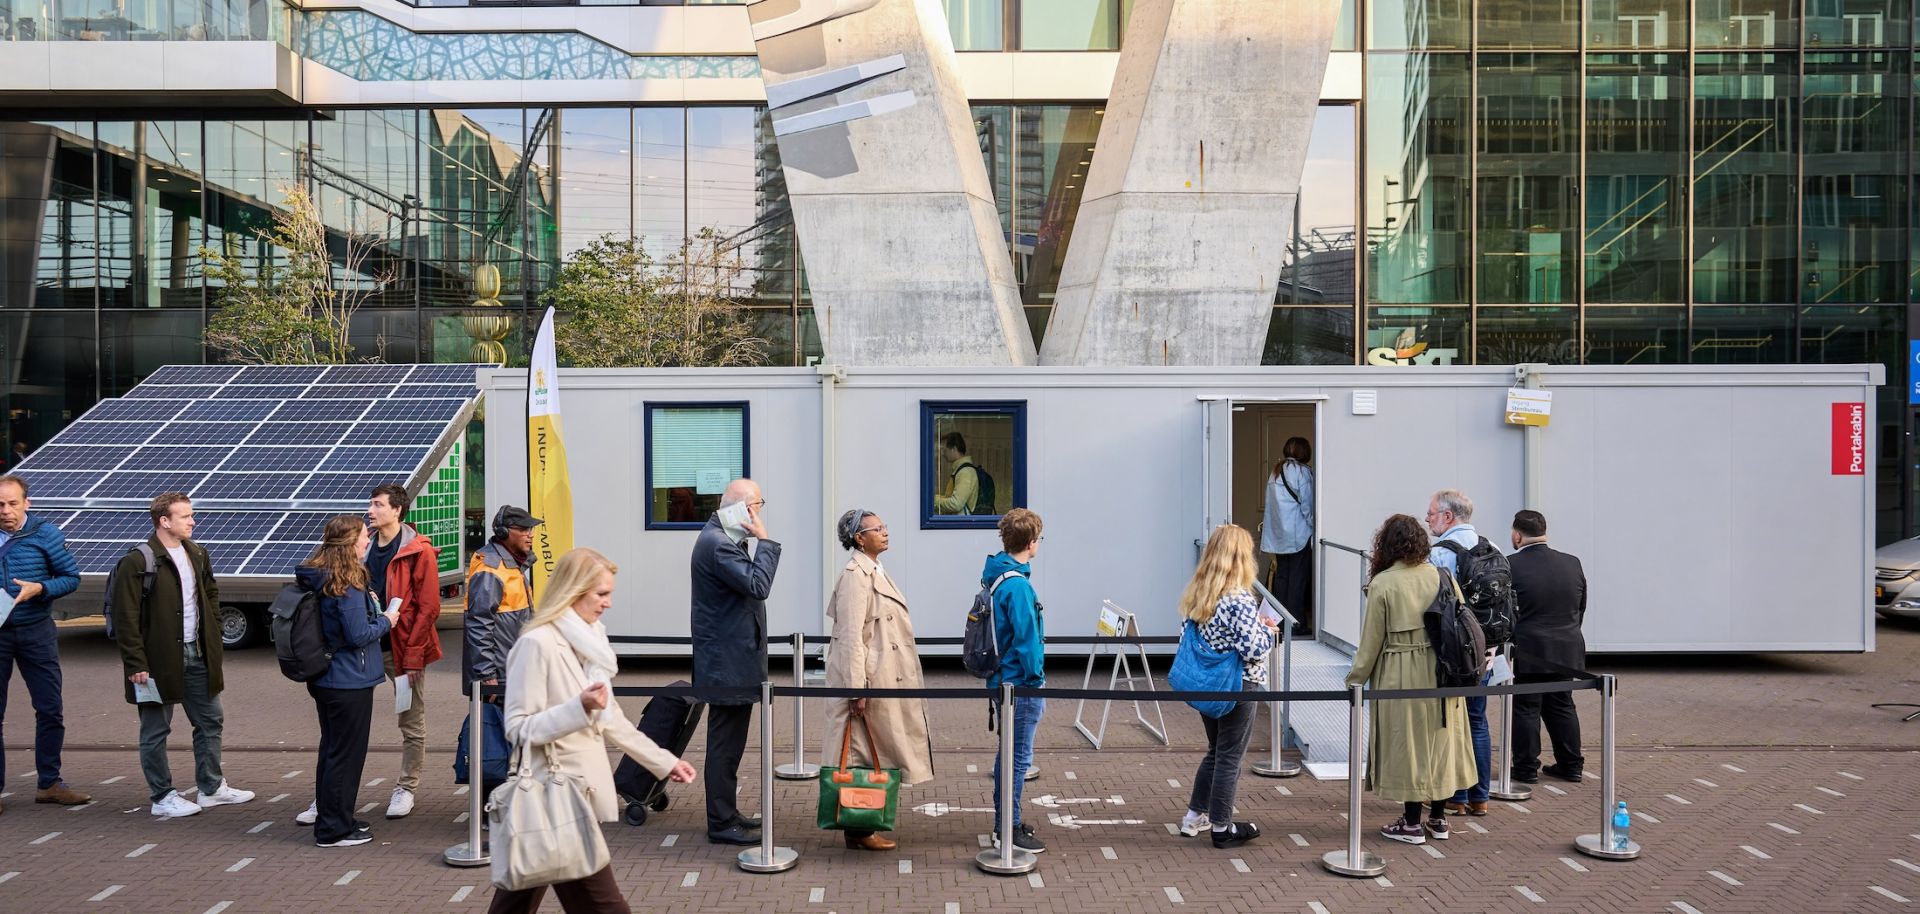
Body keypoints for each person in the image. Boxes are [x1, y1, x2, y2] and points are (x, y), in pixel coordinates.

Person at [488, 548, 696, 914]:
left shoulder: (591, 643)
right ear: (573, 590)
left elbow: (612, 719)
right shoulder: (537, 644)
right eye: (601, 594)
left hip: (568, 797)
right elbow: (518, 728)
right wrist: (577, 708)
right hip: (554, 798)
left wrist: (664, 762)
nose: (608, 604)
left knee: (518, 903)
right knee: (606, 907)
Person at [111, 492, 253, 818]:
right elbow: (125, 618)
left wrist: (215, 634)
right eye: (185, 516)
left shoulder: (197, 553)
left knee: (210, 721)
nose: (193, 521)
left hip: (199, 654)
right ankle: (162, 796)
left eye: (191, 515)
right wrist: (136, 663)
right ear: (164, 521)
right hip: (156, 661)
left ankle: (211, 788)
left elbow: (211, 595)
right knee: (155, 730)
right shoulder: (138, 561)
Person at [1345, 513, 1476, 845]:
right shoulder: (1441, 575)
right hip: (1443, 669)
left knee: (1409, 744)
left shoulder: (1384, 583)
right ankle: (1439, 819)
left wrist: (1355, 680)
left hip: (1401, 671)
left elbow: (1371, 642)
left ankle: (1411, 823)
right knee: (1441, 741)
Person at [821, 509, 934, 852]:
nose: (885, 532)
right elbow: (852, 637)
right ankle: (858, 828)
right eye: (877, 529)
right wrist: (857, 688)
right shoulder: (856, 575)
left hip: (882, 675)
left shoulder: (872, 568)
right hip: (870, 678)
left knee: (875, 753)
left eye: (885, 526)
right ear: (859, 538)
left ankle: (864, 825)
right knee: (862, 755)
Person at [295, 515, 400, 848]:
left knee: (332, 751)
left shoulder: (320, 576)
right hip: (348, 680)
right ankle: (333, 829)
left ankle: (336, 817)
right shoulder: (347, 584)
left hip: (326, 677)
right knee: (346, 756)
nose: (368, 541)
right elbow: (358, 635)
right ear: (349, 545)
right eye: (363, 538)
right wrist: (387, 620)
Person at [690, 478, 780, 846]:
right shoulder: (718, 546)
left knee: (729, 744)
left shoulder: (720, 539)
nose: (760, 512)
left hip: (729, 661)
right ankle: (721, 821)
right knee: (725, 745)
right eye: (759, 505)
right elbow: (758, 586)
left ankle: (727, 813)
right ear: (745, 509)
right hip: (727, 665)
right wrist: (766, 540)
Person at [1176, 524, 1277, 849]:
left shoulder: (1200, 593)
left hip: (1207, 683)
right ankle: (1222, 827)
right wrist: (1268, 632)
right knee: (1230, 756)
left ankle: (1195, 817)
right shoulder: (1239, 600)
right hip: (1239, 685)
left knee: (1216, 751)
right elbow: (1253, 649)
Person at [0, 474, 89, 814]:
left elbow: (70, 578)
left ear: (27, 503)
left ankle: (49, 783)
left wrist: (40, 588)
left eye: (12, 503)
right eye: (0, 505)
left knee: (49, 708)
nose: (6, 511)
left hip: (36, 630)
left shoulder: (46, 534)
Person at [366, 483, 441, 819]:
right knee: (348, 721)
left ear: (397, 510)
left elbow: (429, 607)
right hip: (365, 647)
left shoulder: (418, 551)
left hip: (400, 650)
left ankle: (406, 787)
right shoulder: (363, 547)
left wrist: (413, 654)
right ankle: (332, 791)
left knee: (409, 720)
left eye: (378, 505)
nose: (371, 511)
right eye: (372, 504)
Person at [1507, 510, 1587, 784]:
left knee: (1527, 707)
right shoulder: (1572, 563)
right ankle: (1571, 764)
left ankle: (1526, 768)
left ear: (1517, 534)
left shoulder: (1511, 566)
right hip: (1566, 648)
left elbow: (1508, 612)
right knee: (1562, 705)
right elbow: (1580, 607)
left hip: (1529, 649)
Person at [1426, 488, 1491, 817]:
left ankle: (1456, 795)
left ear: (1448, 517)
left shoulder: (1441, 553)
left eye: (1431, 514)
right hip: (1486, 651)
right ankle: (1480, 796)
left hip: (1454, 650)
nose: (1427, 519)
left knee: (1452, 722)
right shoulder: (1488, 546)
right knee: (1477, 720)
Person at [985, 507, 1046, 854]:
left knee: (1009, 753)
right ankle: (1006, 828)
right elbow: (1026, 640)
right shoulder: (1018, 586)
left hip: (1001, 679)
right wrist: (1035, 679)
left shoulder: (997, 576)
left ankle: (1007, 821)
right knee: (1017, 757)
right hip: (1018, 683)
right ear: (1032, 542)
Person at [465, 506, 541, 699]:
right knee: (492, 726)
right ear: (504, 532)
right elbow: (479, 624)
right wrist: (487, 674)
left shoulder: (511, 564)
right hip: (500, 675)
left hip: (513, 667)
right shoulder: (490, 568)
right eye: (524, 529)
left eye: (531, 529)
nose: (530, 535)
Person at [1260, 437, 1315, 633]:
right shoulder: (1303, 472)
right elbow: (1308, 505)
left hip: (1279, 536)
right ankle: (1297, 624)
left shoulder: (1276, 471)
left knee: (1282, 580)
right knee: (1298, 581)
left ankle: (1278, 622)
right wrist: (1314, 528)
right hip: (1299, 535)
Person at [934, 432, 983, 515]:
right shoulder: (960, 470)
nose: (942, 454)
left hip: (960, 525)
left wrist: (934, 500)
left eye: (944, 450)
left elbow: (956, 504)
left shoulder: (965, 472)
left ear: (954, 448)